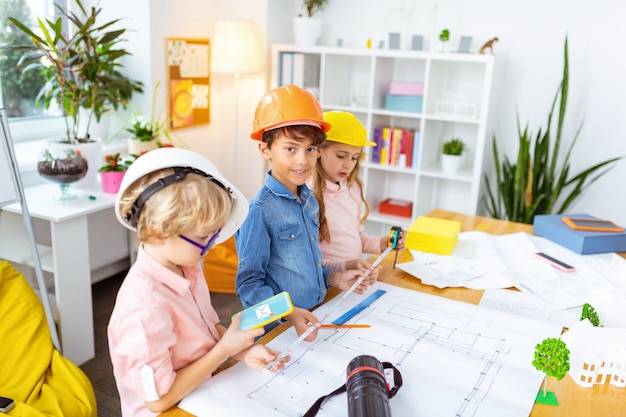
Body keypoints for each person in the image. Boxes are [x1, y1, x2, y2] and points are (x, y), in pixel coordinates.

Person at [108, 148, 288, 417]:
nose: (212, 245)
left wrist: (241, 352)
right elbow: (158, 401)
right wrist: (225, 349)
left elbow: (207, 328)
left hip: (204, 392)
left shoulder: (187, 267)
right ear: (158, 233)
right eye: (204, 236)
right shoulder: (144, 309)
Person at [235, 85, 374, 341]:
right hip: (278, 331)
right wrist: (289, 313)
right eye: (291, 149)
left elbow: (307, 266)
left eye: (310, 149)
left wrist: (335, 278)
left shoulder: (310, 201)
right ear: (265, 150)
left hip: (314, 315)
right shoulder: (258, 211)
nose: (303, 160)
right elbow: (248, 286)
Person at [310, 111, 405, 272]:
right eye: (341, 156)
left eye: (355, 158)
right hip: (328, 280)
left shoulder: (353, 188)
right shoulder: (309, 195)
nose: (348, 164)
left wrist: (381, 243)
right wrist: (343, 268)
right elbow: (310, 259)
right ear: (319, 151)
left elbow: (355, 236)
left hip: (353, 277)